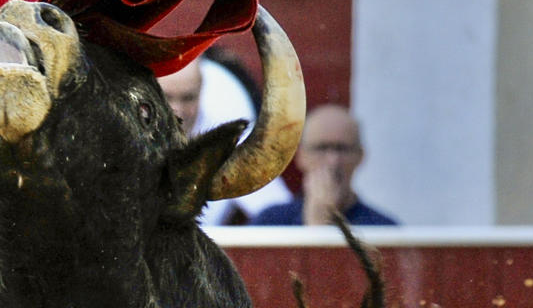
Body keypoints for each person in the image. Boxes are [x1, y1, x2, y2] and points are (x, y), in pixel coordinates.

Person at [155, 54, 290, 225]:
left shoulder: (228, 143)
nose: (178, 110)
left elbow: (282, 216)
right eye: (168, 97)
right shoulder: (124, 137)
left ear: (201, 92)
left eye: (188, 98)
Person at [250, 104, 398, 226]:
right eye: (321, 148)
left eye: (342, 149)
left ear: (360, 156)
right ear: (301, 157)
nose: (332, 160)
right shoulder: (270, 222)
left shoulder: (383, 229)